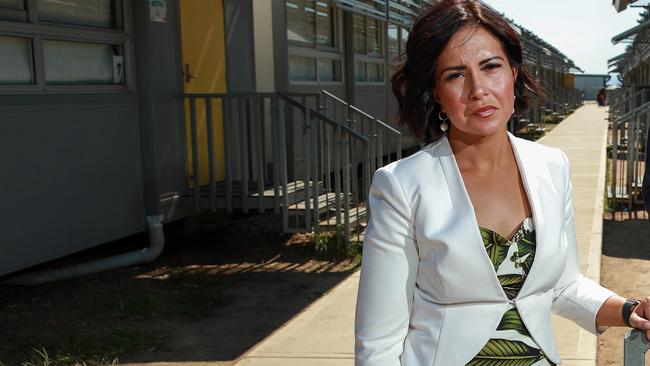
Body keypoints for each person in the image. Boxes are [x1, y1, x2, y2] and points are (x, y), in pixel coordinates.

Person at [354, 1, 650, 365]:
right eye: (455, 75)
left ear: (513, 73)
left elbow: (562, 285)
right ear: (435, 92)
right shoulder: (400, 186)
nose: (478, 89)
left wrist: (629, 310)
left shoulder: (552, 167)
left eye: (491, 67)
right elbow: (378, 344)